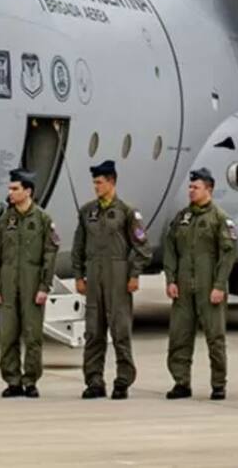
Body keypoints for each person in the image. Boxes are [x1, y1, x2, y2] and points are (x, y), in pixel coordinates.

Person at [72, 160, 153, 400]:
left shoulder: (127, 212)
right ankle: (94, 381)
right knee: (94, 332)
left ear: (111, 182)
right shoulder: (87, 212)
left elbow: (143, 247)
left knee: (120, 331)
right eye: (94, 182)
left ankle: (123, 380)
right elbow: (78, 246)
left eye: (99, 182)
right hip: (94, 278)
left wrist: (134, 274)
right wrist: (78, 275)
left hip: (118, 277)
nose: (95, 187)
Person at [163, 167, 237, 400]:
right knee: (179, 336)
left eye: (196, 187)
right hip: (184, 287)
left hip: (209, 287)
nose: (191, 191)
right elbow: (170, 249)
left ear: (209, 189)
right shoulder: (182, 218)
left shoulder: (220, 218)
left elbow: (227, 254)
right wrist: (171, 279)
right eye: (190, 187)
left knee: (215, 338)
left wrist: (219, 285)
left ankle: (218, 384)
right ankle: (181, 382)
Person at [0, 169, 59, 398]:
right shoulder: (5, 221)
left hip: (31, 286)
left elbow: (50, 255)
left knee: (32, 336)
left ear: (28, 191)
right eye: (10, 189)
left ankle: (30, 380)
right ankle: (12, 380)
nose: (11, 193)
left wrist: (44, 287)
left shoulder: (42, 220)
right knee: (8, 336)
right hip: (8, 285)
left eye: (15, 189)